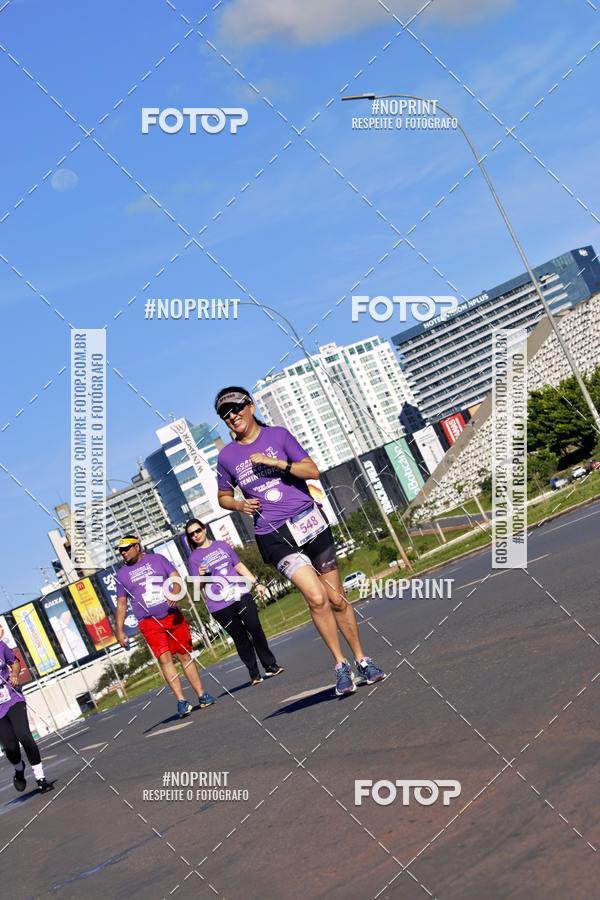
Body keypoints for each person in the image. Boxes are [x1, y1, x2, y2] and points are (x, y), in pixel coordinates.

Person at [214, 386, 386, 697]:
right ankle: (340, 664)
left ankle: (363, 659)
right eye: (225, 414)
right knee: (316, 597)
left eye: (236, 408)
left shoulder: (278, 435)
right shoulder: (227, 457)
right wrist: (239, 505)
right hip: (273, 535)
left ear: (250, 406)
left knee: (336, 599)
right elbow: (223, 497)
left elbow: (313, 471)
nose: (232, 416)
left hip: (309, 522)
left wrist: (277, 463)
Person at [114, 535, 216, 718]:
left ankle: (202, 695)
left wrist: (174, 593)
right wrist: (119, 631)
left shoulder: (157, 559)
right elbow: (121, 603)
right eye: (121, 550)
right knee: (165, 659)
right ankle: (181, 701)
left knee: (185, 655)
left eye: (127, 548)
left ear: (137, 546)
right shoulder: (121, 574)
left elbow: (176, 578)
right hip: (149, 622)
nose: (123, 553)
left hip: (172, 615)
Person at [185, 518, 284, 686]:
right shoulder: (194, 558)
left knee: (254, 627)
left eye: (198, 530)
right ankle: (254, 673)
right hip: (219, 604)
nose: (196, 535)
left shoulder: (222, 545)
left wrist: (256, 583)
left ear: (204, 529)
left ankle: (270, 665)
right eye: (191, 534)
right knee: (240, 637)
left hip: (240, 592)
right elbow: (196, 587)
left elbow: (239, 566)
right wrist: (200, 575)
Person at [0, 639, 52, 793]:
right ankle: (19, 768)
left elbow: (15, 662)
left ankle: (40, 778)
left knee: (24, 735)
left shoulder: (1, 646)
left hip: (13, 698)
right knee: (10, 746)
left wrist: (15, 674)